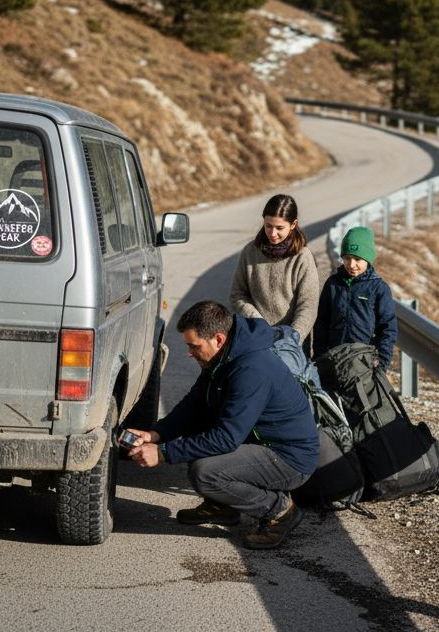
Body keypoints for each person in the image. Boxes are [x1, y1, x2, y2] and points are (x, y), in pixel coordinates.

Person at [125, 300, 318, 549]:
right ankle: (223, 506)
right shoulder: (224, 356)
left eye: (194, 346)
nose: (189, 353)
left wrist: (163, 454)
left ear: (218, 339)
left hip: (289, 458)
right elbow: (194, 405)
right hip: (257, 441)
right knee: (200, 431)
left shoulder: (251, 369)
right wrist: (156, 434)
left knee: (206, 473)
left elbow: (227, 438)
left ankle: (280, 511)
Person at [229, 193, 320, 342]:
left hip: (291, 345)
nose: (272, 233)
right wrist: (257, 322)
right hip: (255, 338)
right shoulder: (250, 251)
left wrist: (291, 340)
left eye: (279, 228)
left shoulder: (302, 257)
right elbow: (237, 294)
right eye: (268, 226)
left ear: (293, 225)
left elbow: (308, 306)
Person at [313, 226, 397, 369]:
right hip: (334, 359)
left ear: (368, 259)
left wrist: (381, 362)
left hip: (365, 362)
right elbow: (322, 323)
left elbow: (388, 328)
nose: (351, 265)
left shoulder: (378, 288)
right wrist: (320, 356)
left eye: (357, 259)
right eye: (347, 258)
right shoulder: (332, 284)